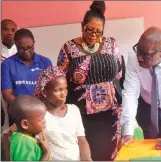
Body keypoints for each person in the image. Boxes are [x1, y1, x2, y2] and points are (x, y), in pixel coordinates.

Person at [56, 1, 125, 160]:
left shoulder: (111, 44)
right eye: (89, 29)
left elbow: (119, 74)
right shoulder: (69, 48)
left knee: (110, 152)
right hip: (81, 114)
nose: (93, 34)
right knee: (87, 152)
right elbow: (61, 79)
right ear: (82, 26)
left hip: (111, 113)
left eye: (98, 31)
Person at [33, 66, 91, 160]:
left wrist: (87, 160)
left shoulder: (73, 110)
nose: (63, 94)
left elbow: (81, 140)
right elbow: (9, 134)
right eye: (58, 90)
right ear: (44, 92)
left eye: (65, 89)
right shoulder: (38, 114)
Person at [1, 28, 52, 126]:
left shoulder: (45, 62)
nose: (26, 51)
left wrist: (39, 109)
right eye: (21, 48)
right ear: (15, 45)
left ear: (34, 43)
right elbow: (7, 94)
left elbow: (50, 89)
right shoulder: (7, 64)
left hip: (42, 112)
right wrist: (26, 110)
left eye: (30, 47)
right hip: (18, 113)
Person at [8, 95, 50, 161]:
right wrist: (46, 153)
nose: (44, 121)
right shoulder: (24, 144)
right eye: (41, 119)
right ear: (25, 124)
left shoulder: (24, 137)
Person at [1, 19, 18, 133]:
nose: (9, 33)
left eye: (13, 30)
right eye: (5, 29)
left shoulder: (21, 50)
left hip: (16, 93)